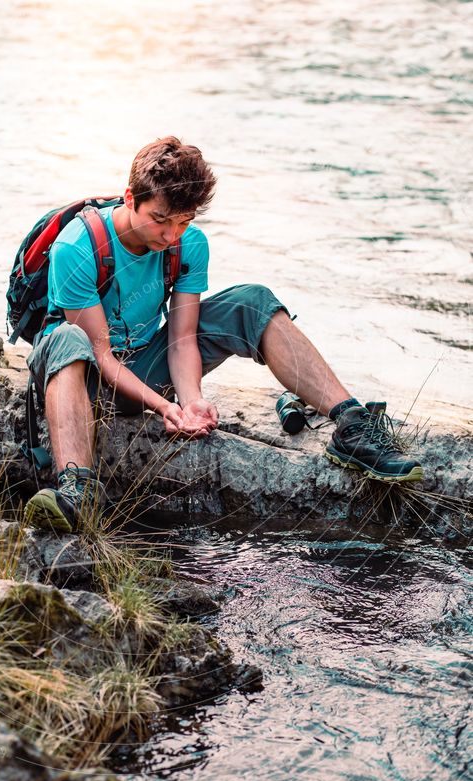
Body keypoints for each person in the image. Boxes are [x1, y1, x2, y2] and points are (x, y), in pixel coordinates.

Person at [24, 136, 423, 533]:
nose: (171, 235)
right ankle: (78, 490)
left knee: (252, 301)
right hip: (85, 376)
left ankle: (352, 424)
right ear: (130, 198)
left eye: (184, 221)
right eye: (161, 219)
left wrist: (191, 401)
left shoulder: (187, 244)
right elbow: (104, 355)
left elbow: (182, 339)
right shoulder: (76, 247)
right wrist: (164, 409)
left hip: (143, 366)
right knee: (69, 339)